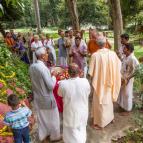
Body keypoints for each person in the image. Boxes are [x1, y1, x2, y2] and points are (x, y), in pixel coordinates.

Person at [88, 36, 121, 129]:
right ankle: (110, 118)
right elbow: (119, 65)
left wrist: (90, 81)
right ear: (106, 43)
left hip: (99, 83)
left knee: (100, 102)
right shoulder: (113, 54)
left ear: (97, 44)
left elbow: (90, 72)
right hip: (110, 81)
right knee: (109, 101)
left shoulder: (94, 55)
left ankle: (100, 123)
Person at [29, 47, 61, 142]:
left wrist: (49, 75)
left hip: (38, 98)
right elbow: (51, 86)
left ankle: (43, 136)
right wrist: (54, 76)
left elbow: (38, 81)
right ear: (42, 56)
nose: (48, 55)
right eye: (46, 53)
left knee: (42, 119)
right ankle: (55, 137)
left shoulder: (32, 67)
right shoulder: (43, 68)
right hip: (47, 98)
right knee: (54, 118)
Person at [58, 63, 91, 143]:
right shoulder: (85, 81)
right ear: (79, 72)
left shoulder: (63, 84)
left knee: (70, 132)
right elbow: (88, 93)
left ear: (68, 73)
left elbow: (59, 94)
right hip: (82, 111)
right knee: (82, 129)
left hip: (70, 112)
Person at [117, 43, 139, 115]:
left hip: (128, 78)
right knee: (122, 92)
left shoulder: (133, 58)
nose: (123, 49)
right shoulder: (125, 56)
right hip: (123, 77)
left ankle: (128, 110)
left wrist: (128, 78)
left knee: (127, 93)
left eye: (125, 48)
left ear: (129, 50)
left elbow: (137, 70)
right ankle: (123, 106)